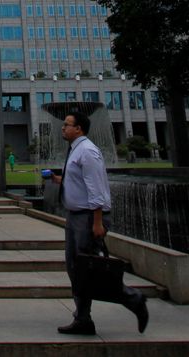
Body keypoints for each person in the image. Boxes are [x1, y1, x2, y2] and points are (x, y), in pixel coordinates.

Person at [51, 111, 148, 335]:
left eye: (67, 125)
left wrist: (97, 223)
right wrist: (58, 180)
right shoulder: (76, 150)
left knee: (86, 269)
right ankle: (83, 318)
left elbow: (97, 191)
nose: (63, 128)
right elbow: (79, 182)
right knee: (76, 269)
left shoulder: (88, 152)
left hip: (88, 218)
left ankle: (133, 299)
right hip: (76, 217)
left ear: (79, 129)